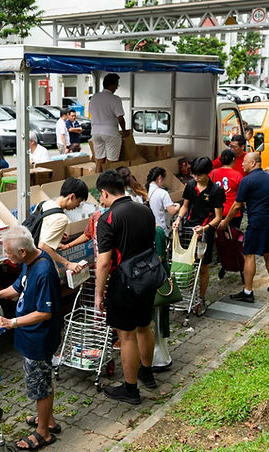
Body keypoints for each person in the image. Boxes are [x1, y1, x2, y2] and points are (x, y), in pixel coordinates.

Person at [0, 226, 61, 450]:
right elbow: (17, 287)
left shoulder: (43, 271)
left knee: (41, 386)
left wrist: (11, 322)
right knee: (42, 381)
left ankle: (43, 433)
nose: (7, 256)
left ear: (22, 251)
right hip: (30, 336)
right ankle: (48, 421)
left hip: (39, 338)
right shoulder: (30, 261)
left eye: (8, 252)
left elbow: (44, 312)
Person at [95, 170, 158, 405]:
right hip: (148, 277)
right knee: (144, 326)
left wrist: (99, 294)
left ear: (104, 192)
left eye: (99, 195)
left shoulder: (108, 218)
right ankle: (146, 373)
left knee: (127, 335)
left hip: (125, 282)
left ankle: (130, 390)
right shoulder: (145, 209)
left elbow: (103, 262)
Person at [219, 152, 269, 303]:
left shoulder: (247, 181)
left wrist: (226, 221)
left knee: (249, 255)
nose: (242, 164)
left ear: (253, 163)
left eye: (245, 162)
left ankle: (248, 291)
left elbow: (237, 205)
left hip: (256, 222)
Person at [174, 157, 224, 315]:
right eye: (194, 174)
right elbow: (185, 206)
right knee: (187, 264)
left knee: (202, 266)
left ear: (208, 173)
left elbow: (218, 217)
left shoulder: (216, 190)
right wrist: (178, 219)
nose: (196, 178)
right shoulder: (190, 185)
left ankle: (201, 298)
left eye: (199, 175)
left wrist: (205, 228)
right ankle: (188, 295)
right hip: (189, 230)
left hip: (204, 234)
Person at [37, 178, 89, 276]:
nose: (77, 206)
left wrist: (58, 236)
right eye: (78, 202)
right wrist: (67, 263)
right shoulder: (61, 218)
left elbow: (40, 230)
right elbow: (43, 246)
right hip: (43, 265)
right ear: (72, 196)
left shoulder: (45, 204)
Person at [89, 73, 128, 173]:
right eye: (116, 85)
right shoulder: (115, 99)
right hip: (110, 132)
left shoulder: (94, 97)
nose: (116, 87)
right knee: (112, 162)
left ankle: (97, 180)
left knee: (99, 160)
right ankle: (110, 181)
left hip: (95, 132)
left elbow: (92, 113)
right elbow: (120, 118)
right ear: (112, 85)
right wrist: (124, 131)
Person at [210, 149, 243, 230]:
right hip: (232, 213)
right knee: (233, 236)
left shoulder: (213, 173)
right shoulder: (237, 175)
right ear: (234, 159)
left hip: (215, 211)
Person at [146, 166, 179, 233]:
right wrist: (178, 206)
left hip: (148, 229)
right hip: (160, 229)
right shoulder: (162, 193)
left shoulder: (146, 191)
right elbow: (172, 211)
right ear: (160, 178)